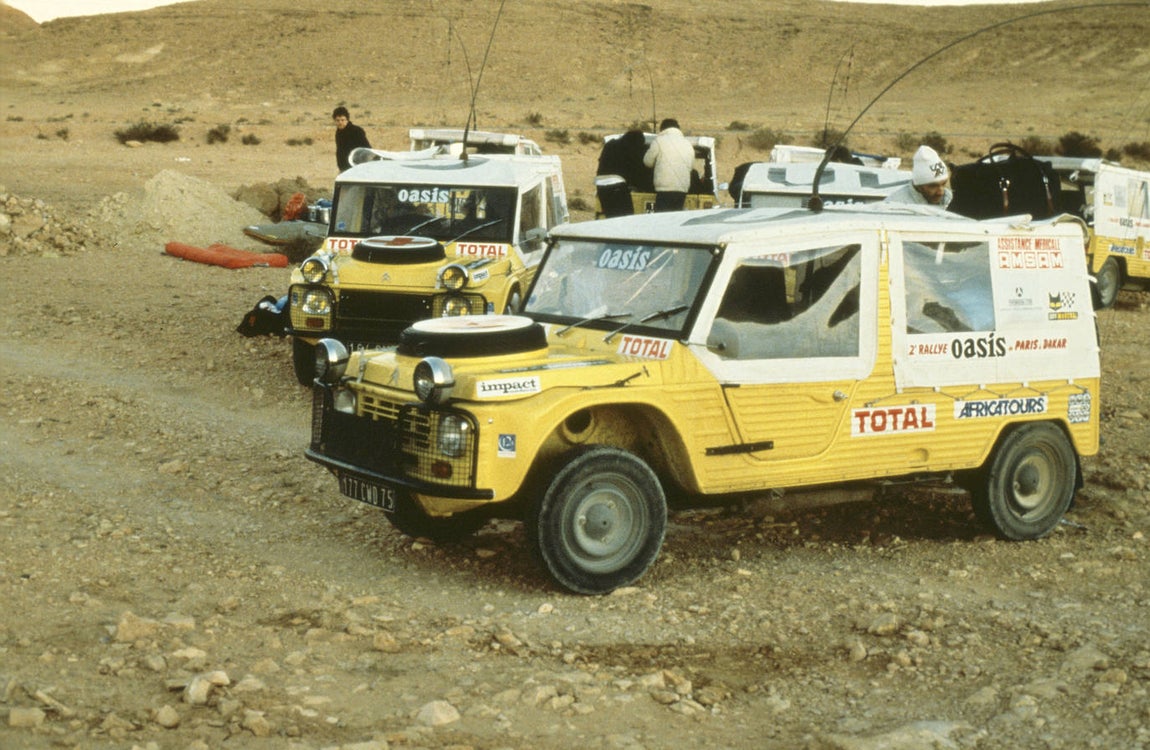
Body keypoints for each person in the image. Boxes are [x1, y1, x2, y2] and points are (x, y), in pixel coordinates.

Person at [643, 118, 695, 212]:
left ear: (662, 129)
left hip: (664, 189)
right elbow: (690, 167)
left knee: (663, 219)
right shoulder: (688, 144)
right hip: (682, 191)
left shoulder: (659, 140)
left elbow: (647, 162)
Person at [884, 145, 953, 209]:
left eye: (943, 184)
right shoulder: (893, 207)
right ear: (918, 186)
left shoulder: (949, 199)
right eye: (933, 186)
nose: (940, 192)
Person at [332, 106, 372, 172]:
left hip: (356, 166)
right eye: (338, 120)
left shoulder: (356, 131)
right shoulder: (338, 132)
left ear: (347, 120)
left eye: (342, 120)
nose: (340, 122)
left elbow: (366, 149)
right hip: (344, 167)